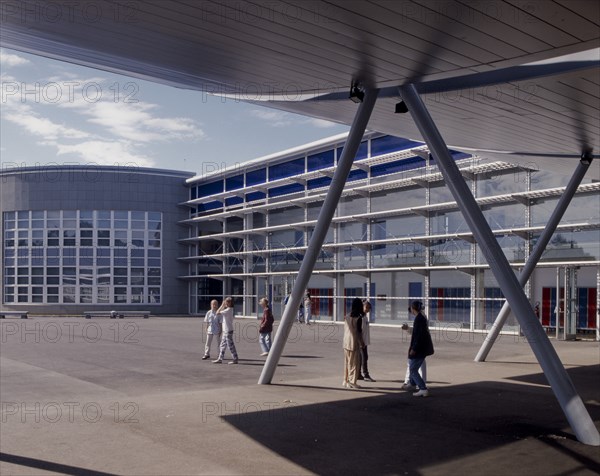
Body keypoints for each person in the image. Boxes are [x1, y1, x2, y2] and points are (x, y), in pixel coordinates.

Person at [407, 300, 434, 397]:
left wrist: (414, 348)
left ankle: (422, 388)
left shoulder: (419, 319)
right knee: (413, 366)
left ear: (413, 308)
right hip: (423, 348)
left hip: (420, 349)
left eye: (411, 307)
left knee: (413, 369)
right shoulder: (422, 317)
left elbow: (418, 336)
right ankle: (412, 383)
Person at [342, 297, 365, 389]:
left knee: (347, 362)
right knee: (355, 363)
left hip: (346, 341)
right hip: (353, 341)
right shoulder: (358, 317)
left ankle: (346, 380)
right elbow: (358, 332)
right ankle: (353, 382)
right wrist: (362, 342)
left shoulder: (347, 315)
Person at [213, 297, 239, 364]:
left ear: (230, 302)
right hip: (226, 330)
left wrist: (222, 305)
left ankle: (235, 358)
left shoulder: (228, 310)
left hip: (228, 331)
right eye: (225, 302)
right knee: (222, 345)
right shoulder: (228, 309)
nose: (226, 303)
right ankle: (220, 358)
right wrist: (224, 305)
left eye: (227, 302)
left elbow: (217, 312)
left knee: (230, 345)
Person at [358, 299, 375, 382]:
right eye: (366, 307)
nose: (368, 309)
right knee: (365, 357)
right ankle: (366, 374)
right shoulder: (361, 317)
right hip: (362, 342)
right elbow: (359, 331)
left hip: (365, 341)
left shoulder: (365, 316)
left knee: (361, 358)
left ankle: (358, 374)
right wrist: (361, 342)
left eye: (369, 308)